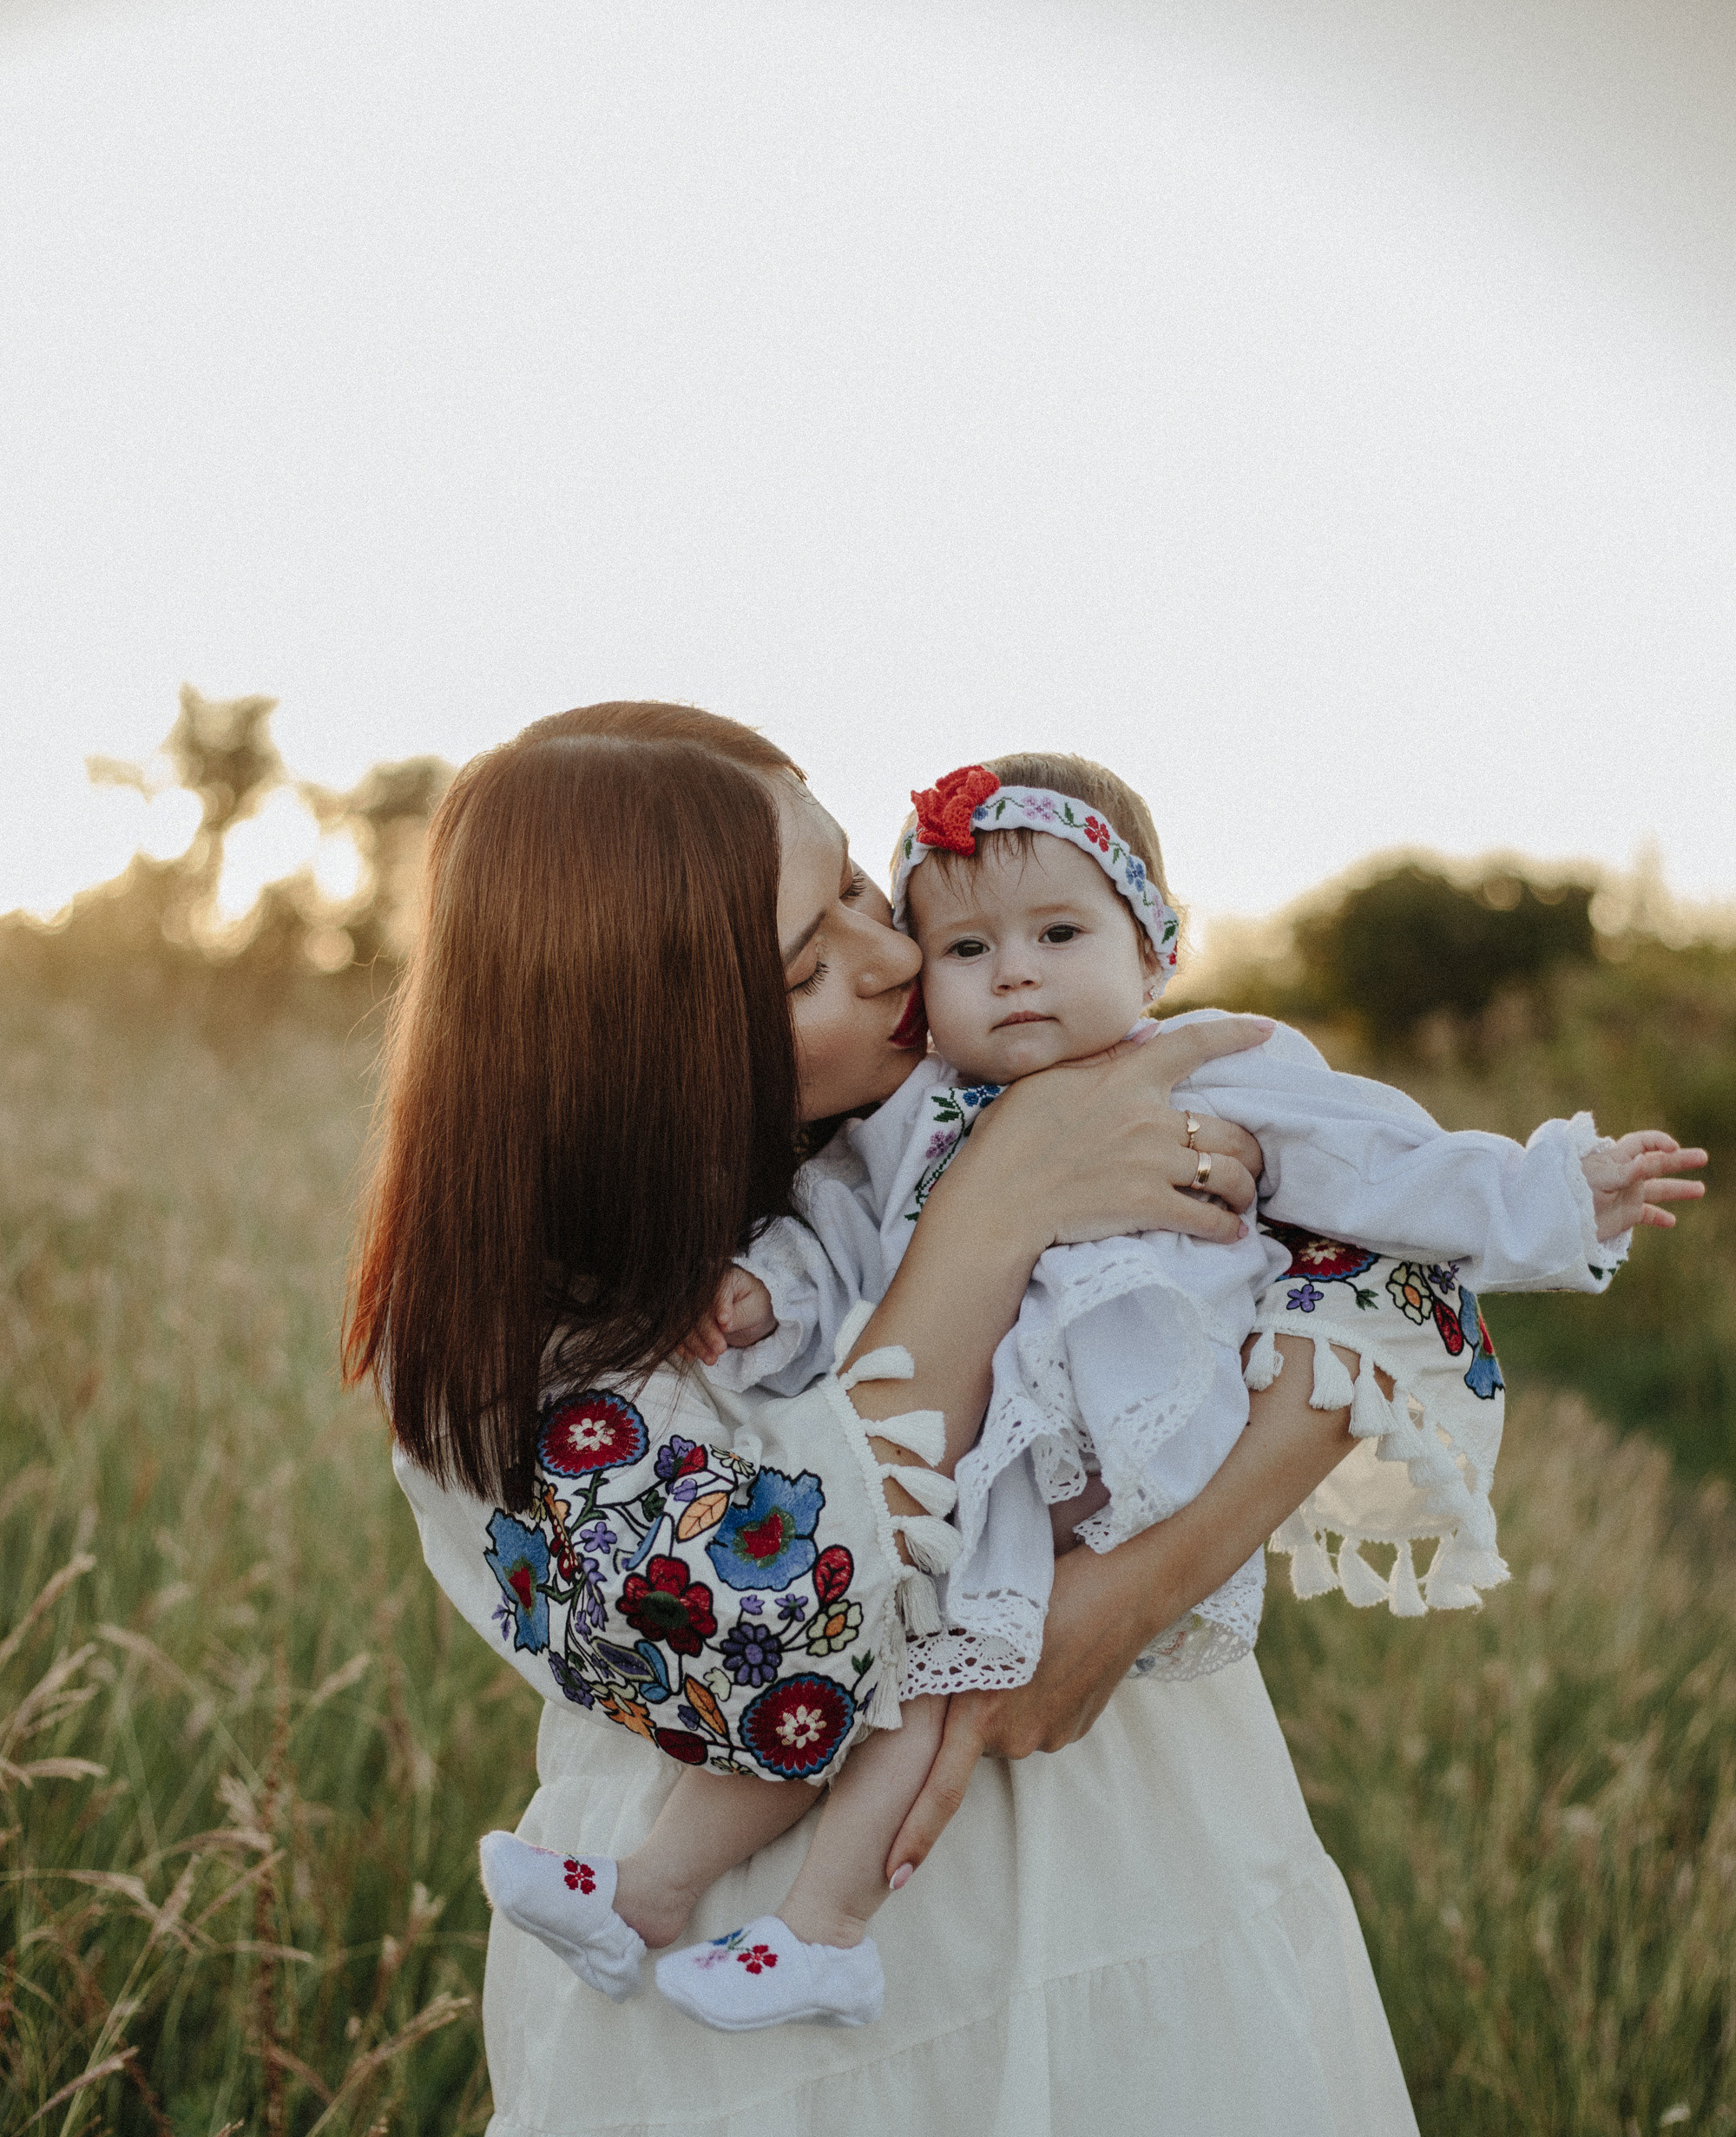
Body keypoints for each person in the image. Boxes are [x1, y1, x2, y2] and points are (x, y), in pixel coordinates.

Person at [349, 699, 1697, 2137]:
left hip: (1142, 1864)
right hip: (751, 1959)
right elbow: (781, 1640)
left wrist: (1123, 1599)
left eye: (861, 890)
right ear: (651, 1034)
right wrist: (991, 1218)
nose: (899, 956)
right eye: (810, 959)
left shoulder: (1014, 1082)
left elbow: (1390, 1284)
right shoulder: (511, 1331)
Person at [480, 749, 1693, 2037]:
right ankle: (669, 1894)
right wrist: (762, 1292)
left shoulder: (1199, 1073)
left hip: (1105, 1486)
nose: (943, 968)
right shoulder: (883, 1134)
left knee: (926, 1664)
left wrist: (1555, 1194)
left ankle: (810, 1924)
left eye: (864, 900)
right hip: (957, 1501)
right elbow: (823, 1260)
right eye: (960, 947)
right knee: (894, 1666)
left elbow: (1387, 1193)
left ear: (1153, 946)